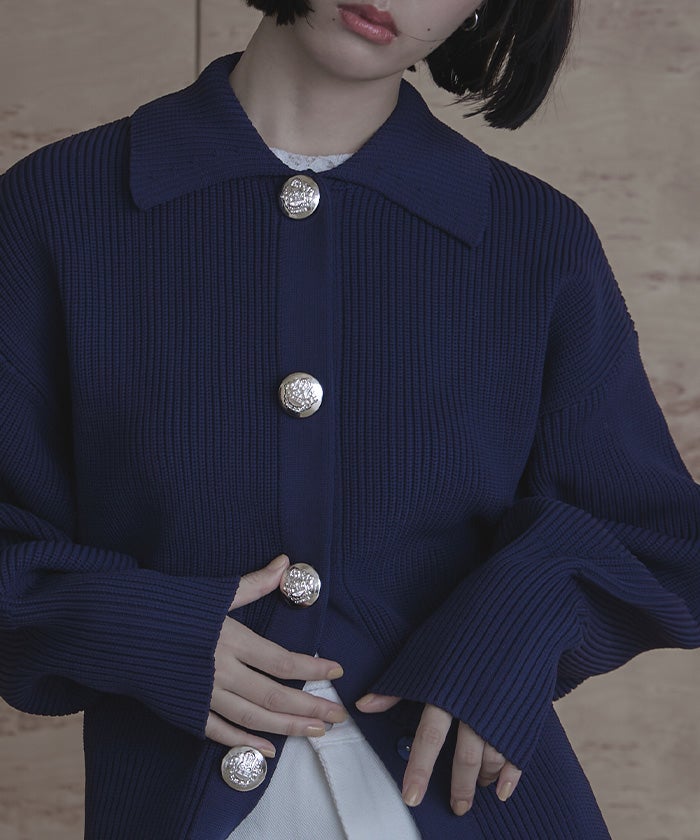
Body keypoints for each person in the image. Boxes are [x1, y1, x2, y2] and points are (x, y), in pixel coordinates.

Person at [1, 1, 699, 838]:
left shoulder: (533, 238)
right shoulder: (57, 209)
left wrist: (514, 632)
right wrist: (136, 628)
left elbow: (655, 534)